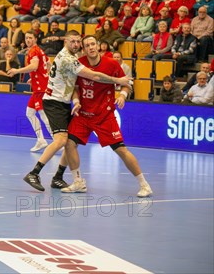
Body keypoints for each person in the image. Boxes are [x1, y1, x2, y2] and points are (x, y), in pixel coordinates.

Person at [23, 30, 132, 192]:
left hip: (63, 102)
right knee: (60, 140)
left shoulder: (71, 56)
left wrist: (75, 100)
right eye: (72, 41)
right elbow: (94, 76)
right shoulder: (68, 59)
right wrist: (118, 80)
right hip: (54, 103)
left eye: (77, 42)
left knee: (70, 141)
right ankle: (34, 173)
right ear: (65, 41)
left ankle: (58, 177)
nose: (75, 44)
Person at [59, 36, 152, 197]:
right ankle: (78, 182)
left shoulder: (111, 64)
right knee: (69, 143)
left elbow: (126, 84)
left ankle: (144, 185)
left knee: (121, 150)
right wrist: (76, 100)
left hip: (104, 115)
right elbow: (75, 87)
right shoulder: (79, 63)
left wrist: (122, 95)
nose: (91, 47)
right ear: (84, 49)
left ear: (98, 46)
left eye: (93, 44)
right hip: (83, 115)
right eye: (87, 45)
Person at [9, 31, 53, 153]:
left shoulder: (33, 51)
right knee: (29, 113)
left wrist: (17, 71)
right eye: (26, 38)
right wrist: (35, 76)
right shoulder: (40, 50)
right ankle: (41, 140)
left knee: (44, 116)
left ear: (35, 39)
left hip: (40, 89)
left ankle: (57, 140)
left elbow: (34, 66)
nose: (28, 40)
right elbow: (48, 65)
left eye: (30, 38)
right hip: (39, 88)